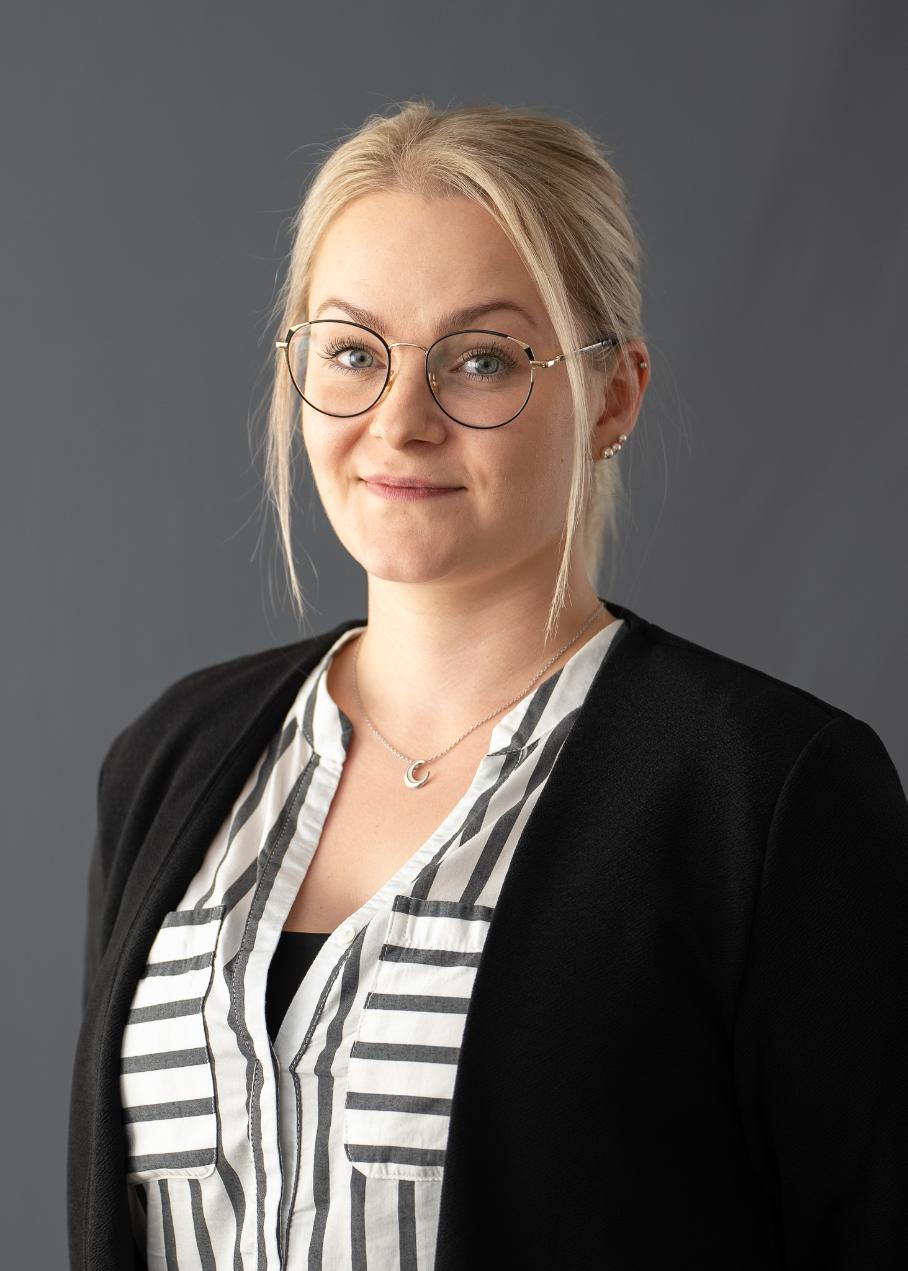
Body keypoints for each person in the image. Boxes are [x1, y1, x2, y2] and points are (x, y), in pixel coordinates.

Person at [67, 100, 908, 1271]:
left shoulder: (763, 793)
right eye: (351, 352)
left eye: (480, 361)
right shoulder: (172, 760)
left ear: (613, 395)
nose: (398, 422)